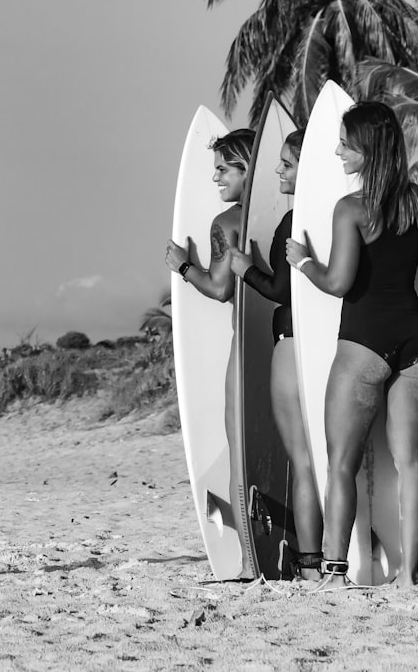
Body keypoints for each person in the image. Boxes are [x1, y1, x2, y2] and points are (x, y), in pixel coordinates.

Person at [286, 101, 418, 589]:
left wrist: (303, 262)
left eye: (345, 143)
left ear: (368, 148)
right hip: (417, 344)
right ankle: (409, 574)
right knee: (411, 463)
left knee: (341, 462)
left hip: (363, 345)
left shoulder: (352, 209)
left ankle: (335, 574)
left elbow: (339, 283)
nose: (338, 151)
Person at [228, 128, 323, 581]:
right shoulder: (333, 215)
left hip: (291, 345)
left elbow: (283, 290)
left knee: (302, 460)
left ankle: (309, 565)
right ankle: (343, 557)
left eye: (286, 164)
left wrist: (247, 270)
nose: (278, 172)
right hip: (332, 346)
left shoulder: (294, 219)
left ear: (307, 168)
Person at [165, 127, 256, 579]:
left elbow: (221, 288)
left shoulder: (228, 224)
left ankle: (246, 560)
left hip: (248, 348)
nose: (216, 179)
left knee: (239, 453)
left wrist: (184, 266)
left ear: (245, 169)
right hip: (290, 343)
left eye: (223, 169)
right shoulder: (287, 216)